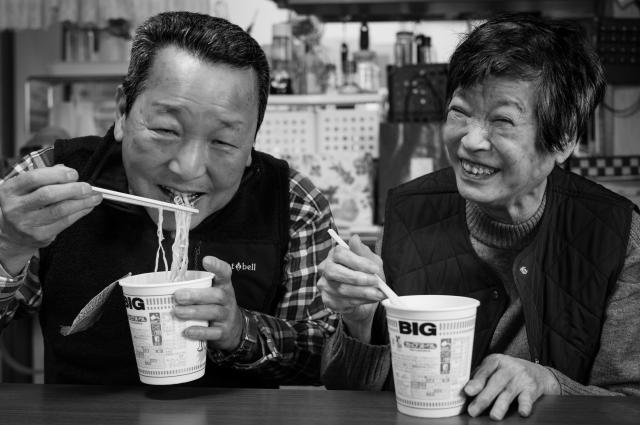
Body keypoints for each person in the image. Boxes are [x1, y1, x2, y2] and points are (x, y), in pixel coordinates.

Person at [318, 13, 640, 420]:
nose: (470, 140)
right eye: (460, 112)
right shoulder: (409, 211)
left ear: (563, 139)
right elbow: (350, 396)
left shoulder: (617, 233)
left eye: (502, 121)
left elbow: (629, 402)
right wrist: (357, 322)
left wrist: (551, 384)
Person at [0, 11, 336, 387]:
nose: (188, 168)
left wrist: (241, 330)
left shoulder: (293, 203)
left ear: (251, 143)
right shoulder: (49, 177)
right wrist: (8, 245)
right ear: (122, 112)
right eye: (166, 129)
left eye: (223, 141)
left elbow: (326, 354)